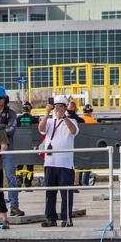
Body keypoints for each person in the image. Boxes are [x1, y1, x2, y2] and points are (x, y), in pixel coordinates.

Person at [38, 95, 78, 227]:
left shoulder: (71, 121)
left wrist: (64, 117)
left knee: (66, 192)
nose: (58, 109)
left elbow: (73, 131)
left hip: (65, 164)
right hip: (50, 162)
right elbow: (41, 128)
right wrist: (47, 113)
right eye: (56, 106)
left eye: (61, 106)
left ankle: (67, 218)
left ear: (65, 108)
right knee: (50, 192)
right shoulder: (50, 121)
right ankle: (50, 218)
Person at [0, 86, 20, 217]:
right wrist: (1, 128)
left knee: (11, 178)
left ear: (5, 99)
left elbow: (11, 129)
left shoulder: (11, 113)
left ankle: (14, 206)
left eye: (1, 98)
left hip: (7, 150)